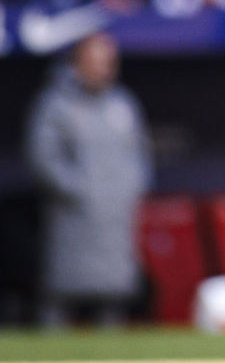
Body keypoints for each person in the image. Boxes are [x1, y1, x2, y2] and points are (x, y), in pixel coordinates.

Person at [24, 31, 152, 327]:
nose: (103, 69)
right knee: (59, 295)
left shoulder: (123, 104)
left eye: (109, 62)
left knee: (114, 296)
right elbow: (44, 158)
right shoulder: (55, 104)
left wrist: (127, 190)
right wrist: (79, 191)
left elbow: (139, 155)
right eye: (95, 61)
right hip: (73, 216)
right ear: (77, 63)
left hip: (115, 218)